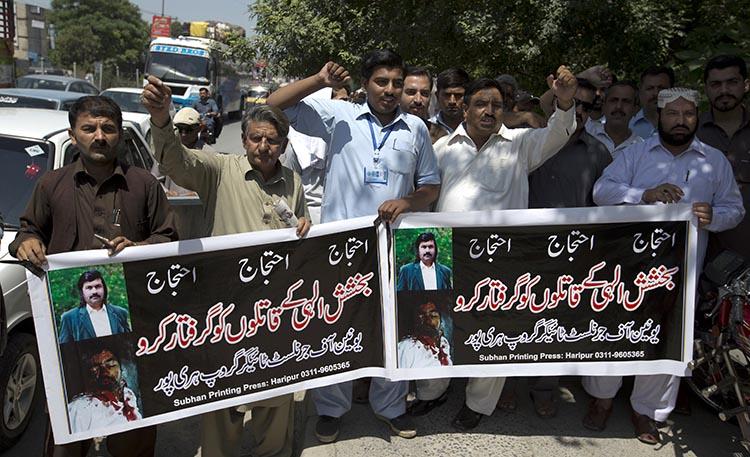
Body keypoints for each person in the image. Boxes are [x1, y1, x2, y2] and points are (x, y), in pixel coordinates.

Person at [267, 48, 441, 442]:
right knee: (337, 325)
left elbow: (430, 186)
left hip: (392, 248)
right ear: (365, 85)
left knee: (393, 329)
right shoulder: (339, 116)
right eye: (382, 81)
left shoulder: (415, 129)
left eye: (397, 82)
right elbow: (273, 104)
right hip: (340, 250)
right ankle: (330, 409)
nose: (391, 89)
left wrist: (408, 202)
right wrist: (319, 81)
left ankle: (391, 407)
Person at [144, 75, 310, 457]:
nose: (264, 147)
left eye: (272, 140)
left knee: (276, 389)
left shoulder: (294, 182)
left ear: (283, 145)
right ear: (244, 139)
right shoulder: (218, 170)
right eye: (256, 138)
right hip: (225, 309)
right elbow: (176, 161)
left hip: (274, 310)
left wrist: (305, 227)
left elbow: (298, 232)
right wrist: (160, 118)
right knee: (222, 394)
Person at [9, 95, 176, 457]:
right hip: (70, 337)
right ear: (74, 135)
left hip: (130, 331)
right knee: (68, 430)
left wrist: (139, 245)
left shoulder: (144, 185)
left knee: (132, 427)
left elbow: (168, 240)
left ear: (120, 136)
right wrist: (28, 243)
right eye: (89, 128)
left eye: (108, 128)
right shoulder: (52, 185)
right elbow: (26, 231)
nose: (99, 136)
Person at [588, 88, 744, 445]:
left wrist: (713, 216)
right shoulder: (637, 153)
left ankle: (646, 411)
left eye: (688, 114)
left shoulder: (714, 160)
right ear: (658, 116)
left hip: (681, 274)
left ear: (697, 117)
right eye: (672, 114)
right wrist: (643, 195)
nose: (680, 121)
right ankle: (602, 399)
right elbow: (602, 190)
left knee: (666, 338)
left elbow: (734, 210)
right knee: (613, 333)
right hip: (627, 269)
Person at [432, 70, 577, 429]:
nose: (489, 111)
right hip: (446, 254)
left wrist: (564, 100)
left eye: (497, 105)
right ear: (464, 109)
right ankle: (430, 391)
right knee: (437, 326)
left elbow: (560, 132)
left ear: (505, 110)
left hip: (499, 259)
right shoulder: (440, 149)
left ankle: (478, 404)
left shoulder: (521, 145)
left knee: (490, 331)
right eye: (480, 104)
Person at [697, 54, 750, 261]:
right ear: (706, 88)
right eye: (716, 84)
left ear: (746, 85)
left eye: (732, 82)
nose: (724, 91)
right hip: (704, 255)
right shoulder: (690, 134)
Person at [529, 78, 612, 208]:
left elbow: (607, 201)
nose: (579, 111)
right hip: (529, 226)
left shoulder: (599, 153)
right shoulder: (532, 141)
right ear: (556, 102)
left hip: (576, 228)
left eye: (586, 107)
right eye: (574, 103)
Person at [68, 347, 141, 434]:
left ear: (121, 369)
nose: (105, 372)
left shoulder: (128, 394)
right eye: (96, 369)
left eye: (110, 365)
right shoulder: (79, 408)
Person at [58, 270, 130, 344]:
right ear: (82, 292)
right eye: (89, 288)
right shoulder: (69, 318)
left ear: (104, 289)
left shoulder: (120, 313)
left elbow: (129, 343)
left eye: (98, 286)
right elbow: (66, 351)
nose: (94, 291)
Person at [585, 80, 643, 158]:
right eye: (613, 100)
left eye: (626, 101)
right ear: (604, 106)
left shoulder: (641, 147)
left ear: (636, 109)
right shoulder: (587, 133)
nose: (618, 106)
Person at [400, 66, 448, 143]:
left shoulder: (439, 136)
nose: (418, 100)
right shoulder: (382, 129)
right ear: (399, 93)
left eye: (424, 94)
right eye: (411, 92)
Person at [398, 301, 452, 368]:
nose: (428, 320)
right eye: (422, 316)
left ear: (440, 320)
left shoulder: (444, 343)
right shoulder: (406, 347)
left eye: (433, 315)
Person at [630, 66, 675, 139]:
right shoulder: (627, 126)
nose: (656, 93)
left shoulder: (683, 126)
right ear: (640, 92)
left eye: (661, 88)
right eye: (650, 88)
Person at [430, 68, 471, 134]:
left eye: (458, 95)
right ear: (437, 96)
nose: (452, 101)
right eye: (447, 95)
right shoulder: (426, 128)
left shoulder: (477, 129)